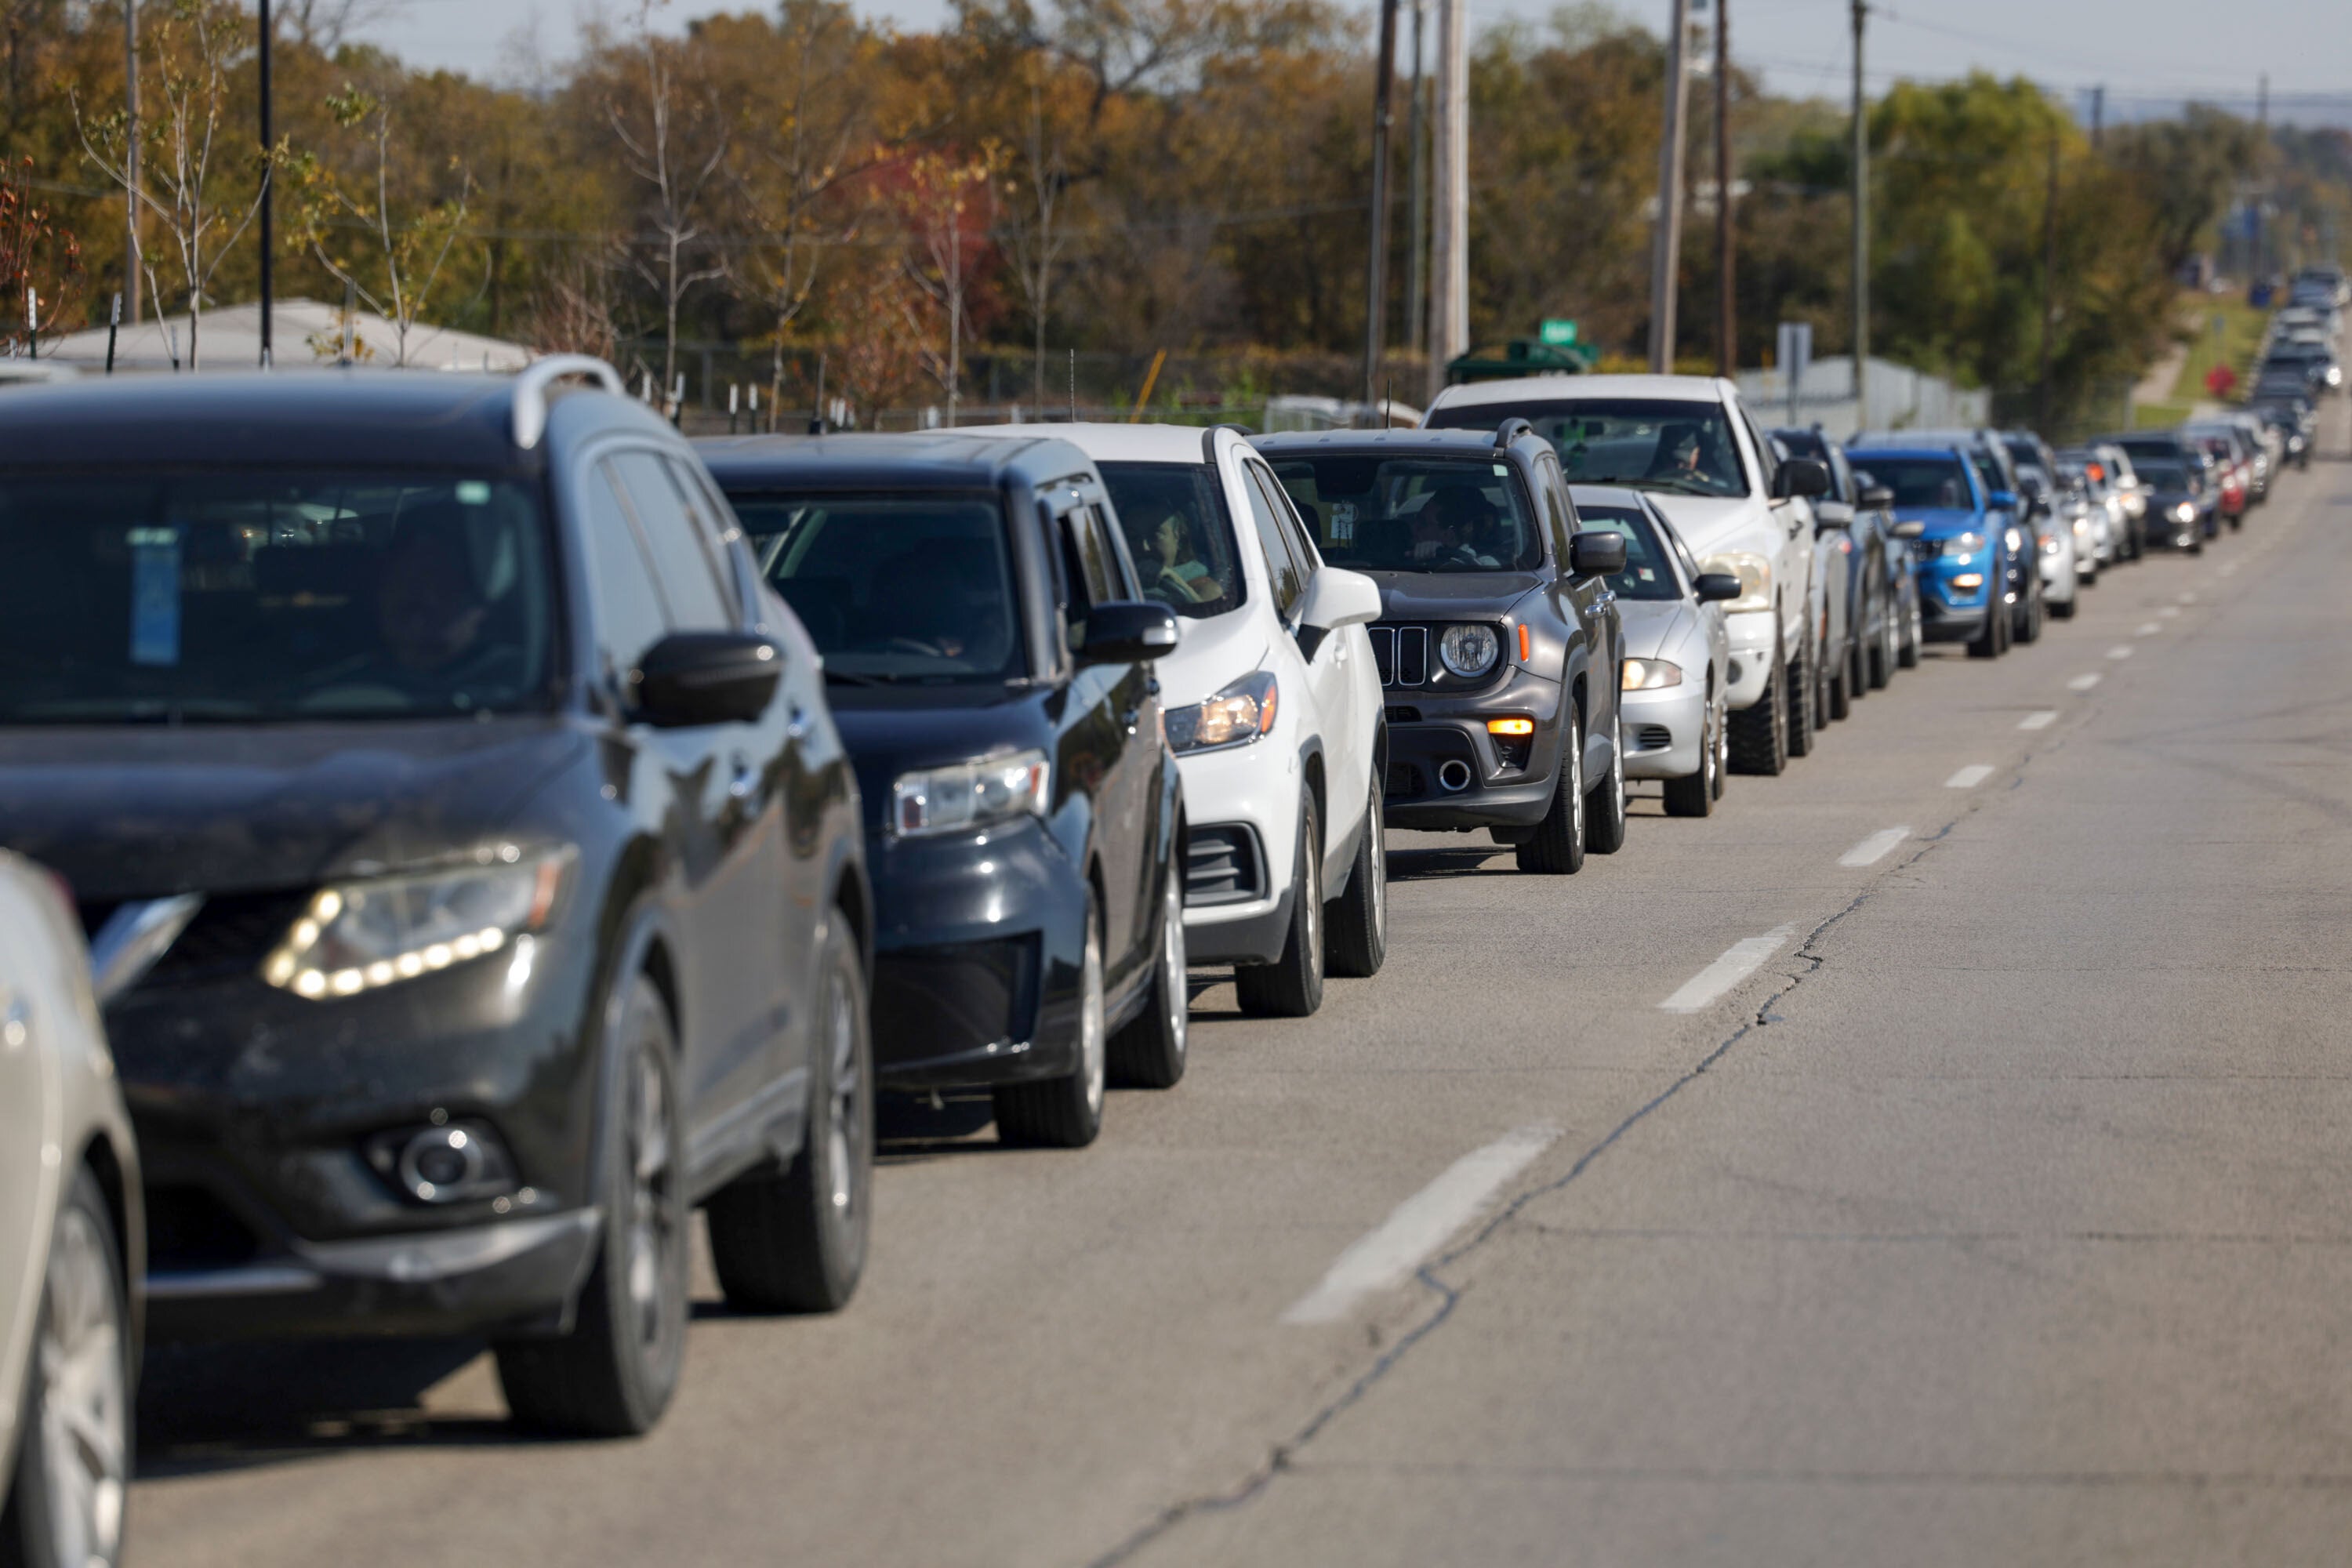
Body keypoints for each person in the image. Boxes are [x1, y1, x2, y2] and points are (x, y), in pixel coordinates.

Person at [1408, 487, 1501, 568]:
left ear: (1449, 535)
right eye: (1416, 519)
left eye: (1423, 523)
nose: (1413, 528)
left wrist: (1438, 553)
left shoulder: (1482, 564)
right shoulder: (1398, 559)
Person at [1145, 511, 1225, 606]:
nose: (1145, 547)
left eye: (1155, 536)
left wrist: (1175, 582)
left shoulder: (1203, 587)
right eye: (1133, 537)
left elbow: (1207, 615)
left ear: (1178, 537)